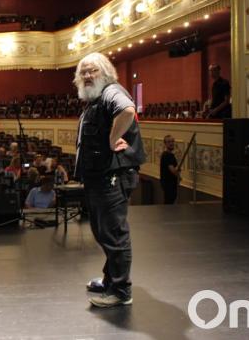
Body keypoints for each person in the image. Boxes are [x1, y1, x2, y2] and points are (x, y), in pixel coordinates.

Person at [74, 52, 146, 308]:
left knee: (114, 233)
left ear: (105, 72)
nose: (87, 76)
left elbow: (127, 111)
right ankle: (110, 279)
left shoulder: (111, 92)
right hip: (99, 176)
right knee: (102, 230)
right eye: (83, 72)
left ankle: (121, 290)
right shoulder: (94, 100)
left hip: (112, 176)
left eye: (92, 70)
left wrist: (113, 138)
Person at [160, 135, 181, 204]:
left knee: (170, 201)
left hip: (169, 183)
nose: (171, 143)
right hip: (169, 183)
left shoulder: (169, 154)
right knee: (169, 203)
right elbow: (172, 169)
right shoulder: (167, 155)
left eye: (172, 141)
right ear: (165, 144)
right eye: (169, 142)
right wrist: (178, 176)